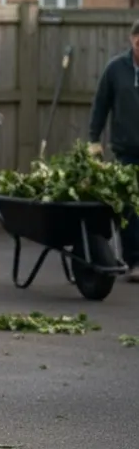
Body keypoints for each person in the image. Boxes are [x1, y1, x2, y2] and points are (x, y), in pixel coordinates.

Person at [86, 18, 139, 282]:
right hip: (126, 150)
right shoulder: (116, 69)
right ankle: (135, 262)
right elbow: (100, 106)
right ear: (132, 40)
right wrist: (94, 140)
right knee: (129, 209)